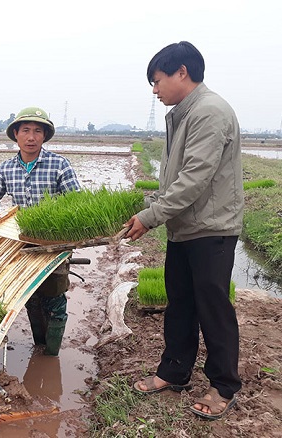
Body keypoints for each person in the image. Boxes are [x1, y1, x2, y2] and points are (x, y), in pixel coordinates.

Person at [126, 41, 244, 420]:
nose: (155, 90)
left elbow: (194, 178)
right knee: (180, 303)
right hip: (186, 227)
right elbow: (175, 176)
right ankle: (173, 371)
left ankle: (224, 385)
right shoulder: (183, 113)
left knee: (212, 308)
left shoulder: (209, 112)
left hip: (211, 228)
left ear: (182, 72)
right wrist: (150, 209)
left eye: (157, 81)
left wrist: (151, 215)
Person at [0, 106, 81, 356]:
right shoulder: (6, 169)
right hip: (22, 246)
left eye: (38, 131)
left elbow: (78, 203)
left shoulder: (59, 165)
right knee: (32, 299)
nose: (31, 137)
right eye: (25, 130)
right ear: (16, 134)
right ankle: (40, 346)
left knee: (55, 298)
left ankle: (51, 354)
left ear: (44, 136)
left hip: (55, 245)